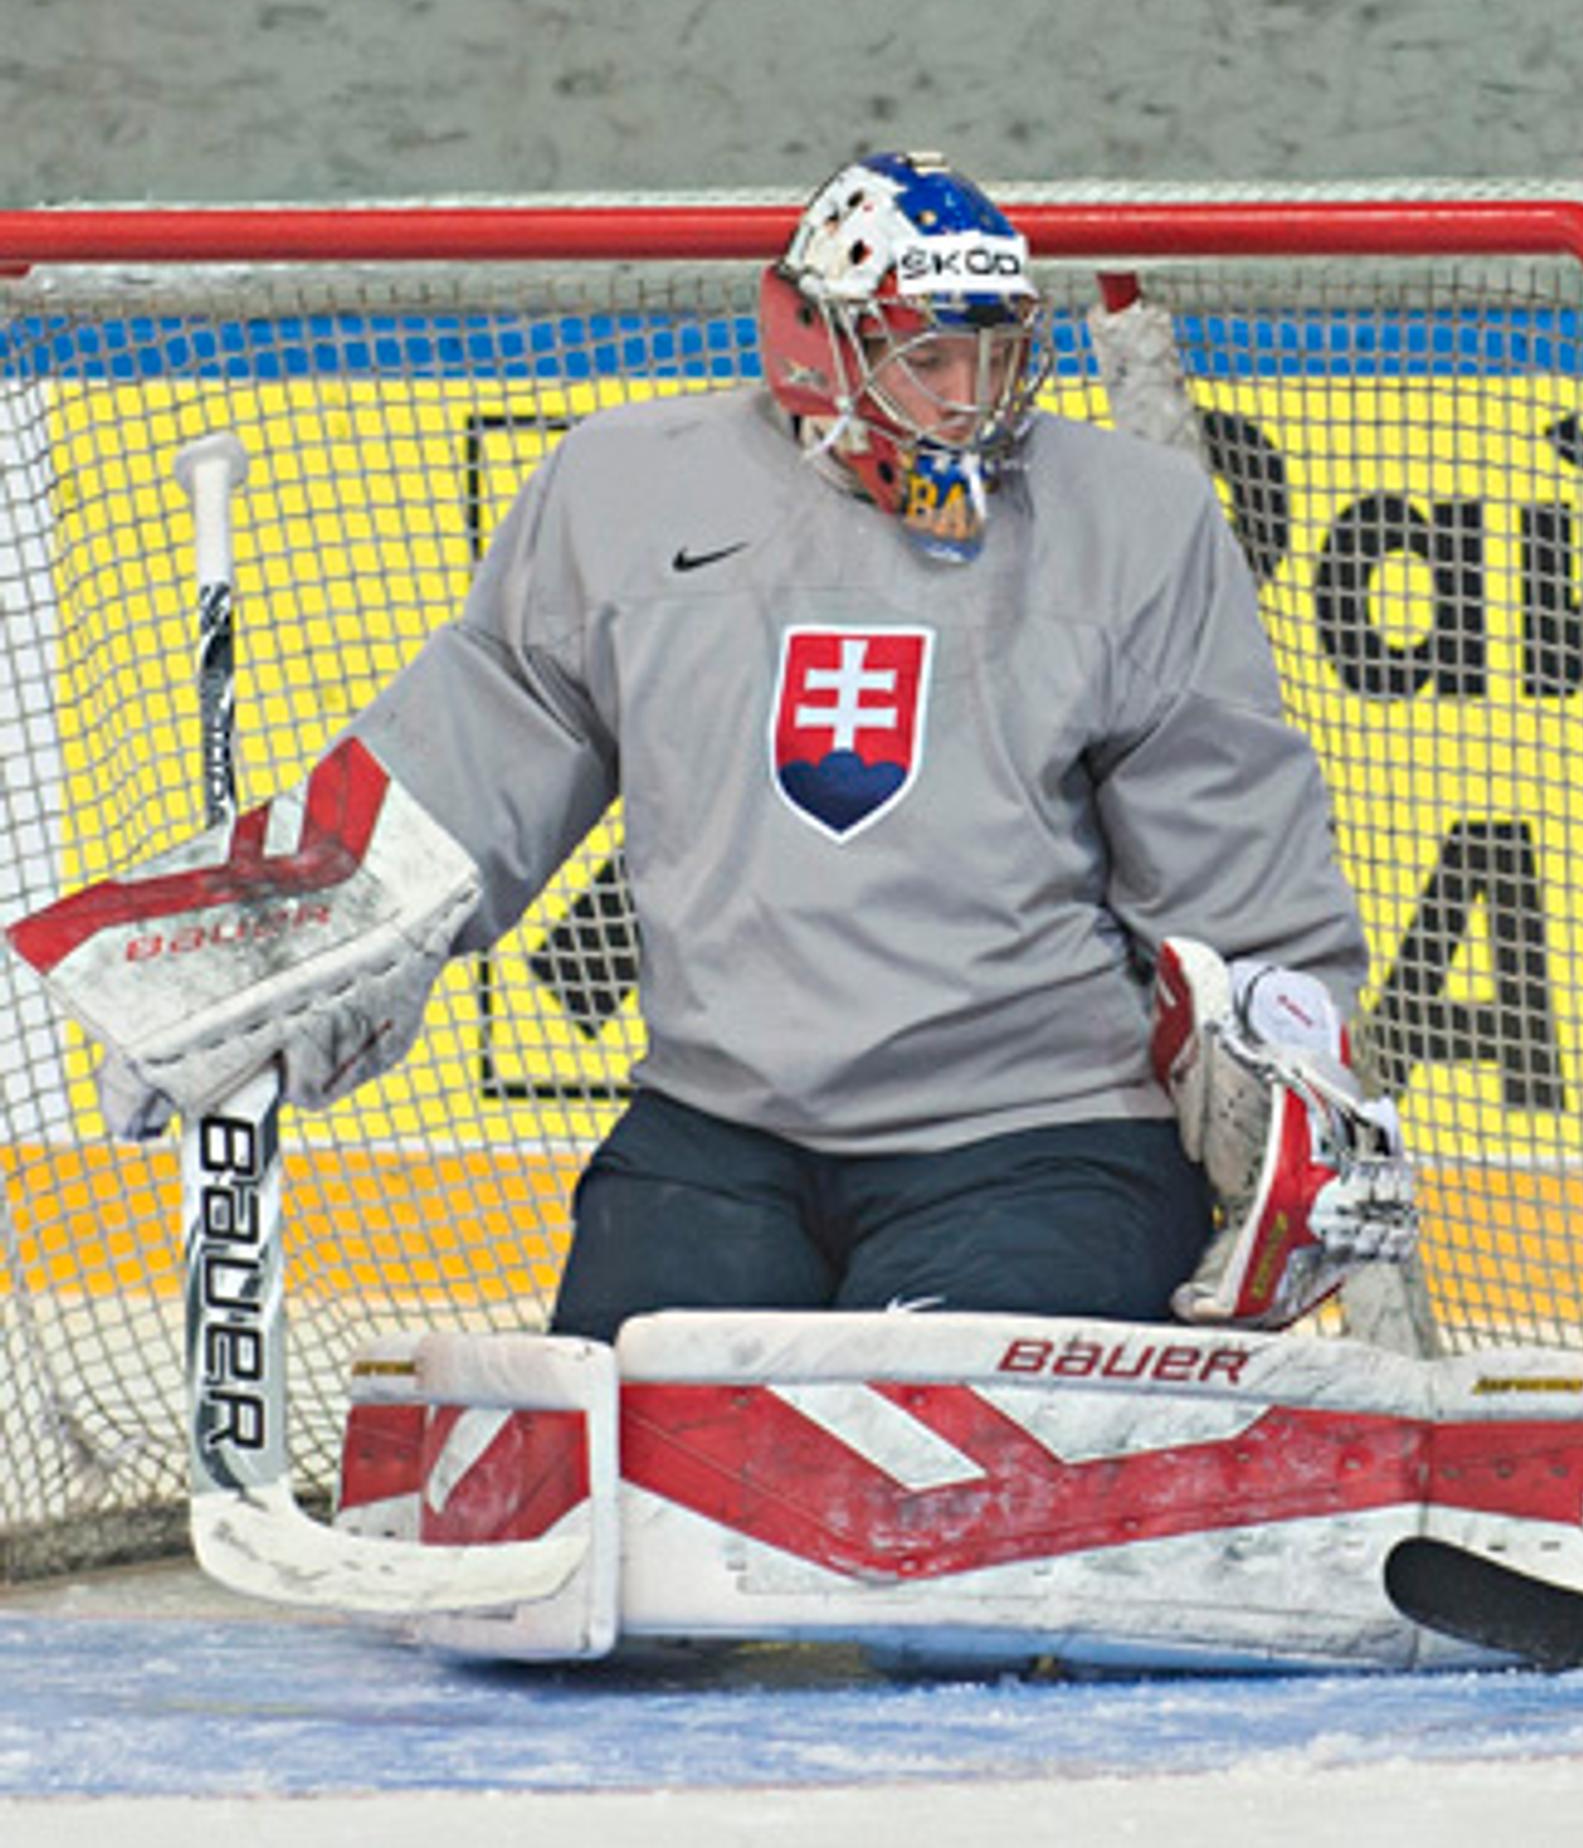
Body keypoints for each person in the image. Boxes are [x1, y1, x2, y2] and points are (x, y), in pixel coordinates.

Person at [13, 149, 1414, 1338]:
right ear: (812, 339)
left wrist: (1293, 1078)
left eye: (997, 352)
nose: (972, 398)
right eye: (929, 356)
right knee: (605, 1506)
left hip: (1039, 1142)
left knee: (926, 1498)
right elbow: (475, 754)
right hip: (718, 1139)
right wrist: (269, 951)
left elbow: (1231, 852)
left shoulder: (1134, 520)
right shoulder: (626, 491)